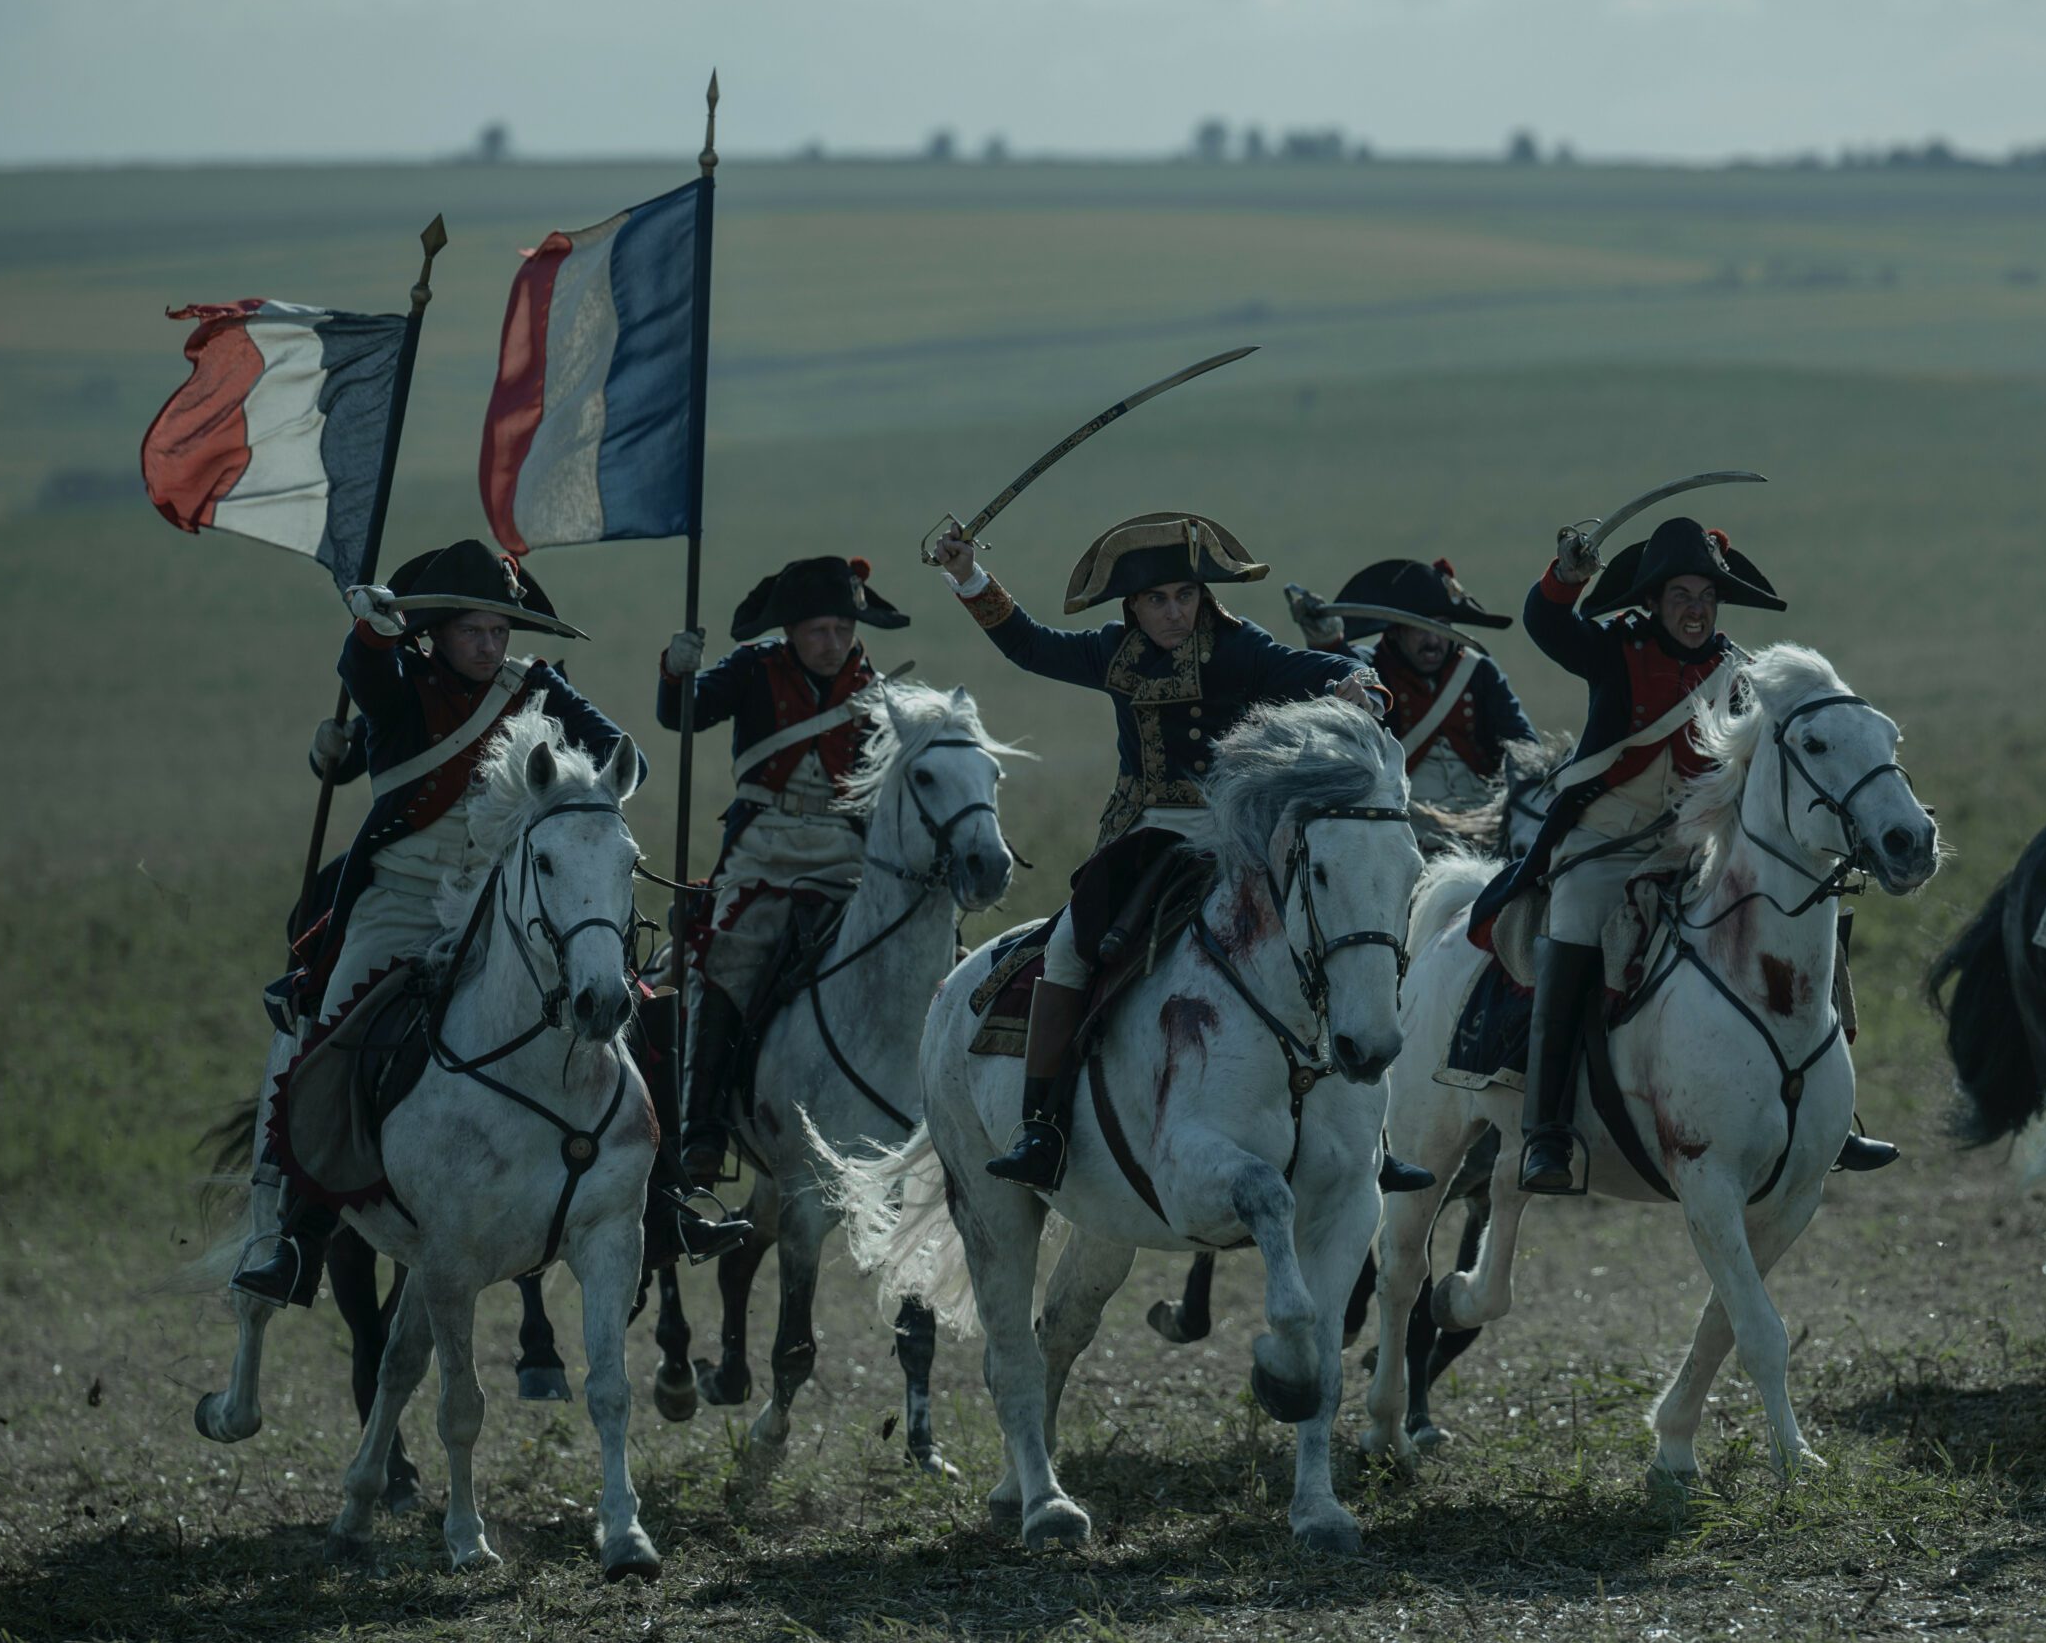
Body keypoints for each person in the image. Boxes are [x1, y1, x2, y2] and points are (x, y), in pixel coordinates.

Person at [233, 540, 748, 1306]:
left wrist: (601, 783)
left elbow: (609, 753)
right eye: (473, 630)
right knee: (337, 1036)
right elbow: (365, 671)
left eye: (499, 631)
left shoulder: (534, 687)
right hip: (400, 905)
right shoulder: (400, 687)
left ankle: (666, 1199)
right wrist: (371, 632)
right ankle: (300, 1238)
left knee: (629, 1011)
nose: (489, 645)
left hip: (506, 905)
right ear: (436, 632)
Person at [930, 512, 1431, 1194]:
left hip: (1230, 838)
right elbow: (1030, 646)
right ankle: (1043, 1129)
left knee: (1330, 934)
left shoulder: (1239, 648)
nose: (1174, 613)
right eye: (1158, 600)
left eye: (1186, 597)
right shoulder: (1112, 653)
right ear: (1133, 606)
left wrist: (1359, 685)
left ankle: (1373, 1137)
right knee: (1069, 949)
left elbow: (1330, 665)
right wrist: (967, 576)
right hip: (1142, 840)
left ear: (1204, 598)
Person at [1467, 517, 1895, 1194]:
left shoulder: (1742, 673)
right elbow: (1547, 627)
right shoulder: (1615, 650)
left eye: (1705, 597)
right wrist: (1565, 579)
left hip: (1694, 846)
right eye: (1680, 597)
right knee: (1575, 927)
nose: (1695, 610)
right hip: (1604, 842)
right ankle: (1546, 1129)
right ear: (1654, 603)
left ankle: (1833, 1114)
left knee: (1806, 913)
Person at [657, 556, 907, 1183]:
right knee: (730, 957)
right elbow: (680, 715)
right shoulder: (752, 670)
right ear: (791, 631)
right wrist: (675, 672)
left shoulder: (877, 689)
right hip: (764, 851)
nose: (833, 644)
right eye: (819, 631)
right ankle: (705, 1126)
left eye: (843, 631)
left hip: (849, 855)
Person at [1292, 558, 1536, 850]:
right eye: (1419, 628)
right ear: (1395, 632)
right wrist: (1329, 642)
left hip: (1484, 825)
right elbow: (1351, 669)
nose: (1432, 640)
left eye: (1441, 627)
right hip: (1406, 829)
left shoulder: (1479, 671)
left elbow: (1522, 744)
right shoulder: (1371, 667)